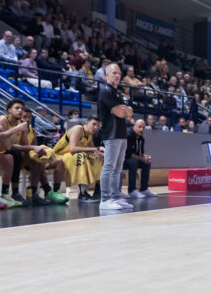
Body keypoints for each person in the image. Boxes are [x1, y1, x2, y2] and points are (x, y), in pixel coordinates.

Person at [98, 63, 133, 210]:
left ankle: (115, 197)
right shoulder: (105, 91)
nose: (117, 75)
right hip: (111, 134)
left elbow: (129, 113)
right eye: (114, 73)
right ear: (106, 75)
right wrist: (124, 110)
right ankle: (105, 199)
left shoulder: (117, 93)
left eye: (119, 73)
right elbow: (121, 113)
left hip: (121, 133)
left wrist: (125, 110)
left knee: (118, 168)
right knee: (109, 167)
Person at [21, 109, 69, 204]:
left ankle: (56, 191)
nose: (27, 119)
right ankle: (46, 191)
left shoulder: (32, 130)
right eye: (25, 117)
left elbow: (35, 146)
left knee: (59, 161)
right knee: (39, 161)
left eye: (30, 117)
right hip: (22, 159)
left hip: (32, 157)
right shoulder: (18, 129)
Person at [53, 117, 103, 202]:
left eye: (98, 125)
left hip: (72, 155)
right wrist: (93, 150)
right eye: (94, 124)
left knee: (98, 158)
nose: (96, 127)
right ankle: (82, 194)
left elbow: (91, 149)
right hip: (60, 155)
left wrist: (99, 149)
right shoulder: (78, 129)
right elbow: (72, 149)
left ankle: (98, 192)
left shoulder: (89, 134)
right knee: (81, 156)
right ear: (87, 123)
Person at [124, 119, 157, 199]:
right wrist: (141, 158)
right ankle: (132, 191)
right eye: (139, 127)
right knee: (134, 162)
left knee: (147, 162)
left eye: (143, 127)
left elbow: (139, 154)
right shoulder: (128, 135)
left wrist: (145, 157)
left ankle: (144, 189)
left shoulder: (141, 139)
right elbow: (127, 154)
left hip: (131, 159)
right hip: (123, 160)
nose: (141, 129)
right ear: (134, 126)